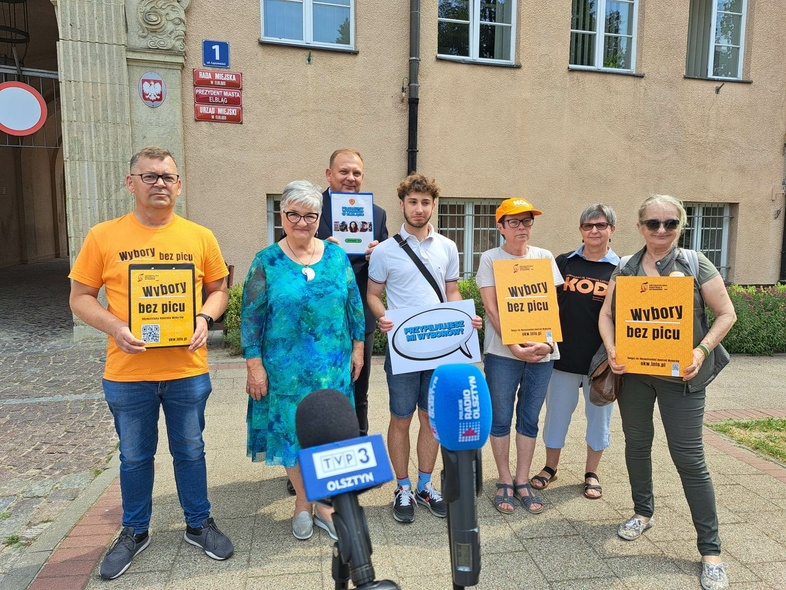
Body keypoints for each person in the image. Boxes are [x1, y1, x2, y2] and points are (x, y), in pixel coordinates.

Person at [69, 146, 234, 580]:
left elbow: (219, 289)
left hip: (186, 370)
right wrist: (115, 327)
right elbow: (80, 298)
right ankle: (134, 531)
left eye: (168, 177)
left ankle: (198, 523)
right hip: (128, 373)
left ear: (179, 186)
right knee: (134, 456)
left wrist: (205, 317)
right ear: (131, 183)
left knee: (191, 450)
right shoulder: (103, 236)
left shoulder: (199, 236)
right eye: (150, 176)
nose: (160, 183)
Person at [598, 195, 736, 590]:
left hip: (683, 378)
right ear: (640, 226)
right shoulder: (625, 267)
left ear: (681, 225)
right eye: (653, 223)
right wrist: (611, 348)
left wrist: (700, 350)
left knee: (690, 459)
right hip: (635, 376)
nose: (661, 230)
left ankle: (710, 551)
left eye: (670, 223)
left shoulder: (695, 263)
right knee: (637, 444)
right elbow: (606, 315)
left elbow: (726, 313)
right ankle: (643, 513)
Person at [242, 180, 365, 541]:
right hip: (285, 371)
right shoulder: (266, 261)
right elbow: (251, 318)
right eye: (293, 214)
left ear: (319, 218)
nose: (301, 222)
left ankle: (325, 505)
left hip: (332, 368)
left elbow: (354, 305)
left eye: (310, 215)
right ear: (281, 215)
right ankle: (302, 502)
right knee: (291, 434)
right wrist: (254, 365)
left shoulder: (337, 256)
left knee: (328, 434)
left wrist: (359, 348)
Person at [368, 173, 482, 524]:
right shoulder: (384, 251)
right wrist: (383, 318)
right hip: (403, 350)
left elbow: (452, 292)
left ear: (434, 205)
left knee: (431, 419)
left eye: (425, 202)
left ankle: (425, 485)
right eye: (413, 202)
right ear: (402, 204)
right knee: (400, 418)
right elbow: (373, 294)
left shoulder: (447, 246)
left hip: (440, 349)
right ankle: (402, 487)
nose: (419, 208)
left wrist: (465, 321)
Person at [476, 198, 562, 515]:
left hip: (542, 350)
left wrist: (548, 344)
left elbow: (551, 305)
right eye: (514, 222)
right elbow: (491, 308)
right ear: (501, 227)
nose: (522, 227)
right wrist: (513, 344)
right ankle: (503, 479)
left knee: (529, 417)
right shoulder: (490, 258)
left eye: (527, 221)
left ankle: (522, 479)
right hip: (502, 353)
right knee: (500, 417)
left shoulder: (544, 257)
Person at [533, 204, 619, 499]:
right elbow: (543, 303)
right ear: (581, 230)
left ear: (611, 229)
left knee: (599, 419)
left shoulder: (622, 269)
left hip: (601, 362)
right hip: (563, 357)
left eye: (601, 225)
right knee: (556, 416)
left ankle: (592, 473)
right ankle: (550, 467)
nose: (594, 230)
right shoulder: (564, 262)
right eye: (588, 226)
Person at [318, 149, 388, 437]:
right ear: (329, 174)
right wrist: (319, 248)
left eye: (356, 173)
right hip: (317, 318)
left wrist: (379, 254)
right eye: (344, 171)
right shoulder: (310, 209)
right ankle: (315, 457)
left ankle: (358, 450)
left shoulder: (377, 215)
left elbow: (387, 269)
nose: (350, 178)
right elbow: (287, 253)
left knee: (359, 390)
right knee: (318, 391)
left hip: (360, 315)